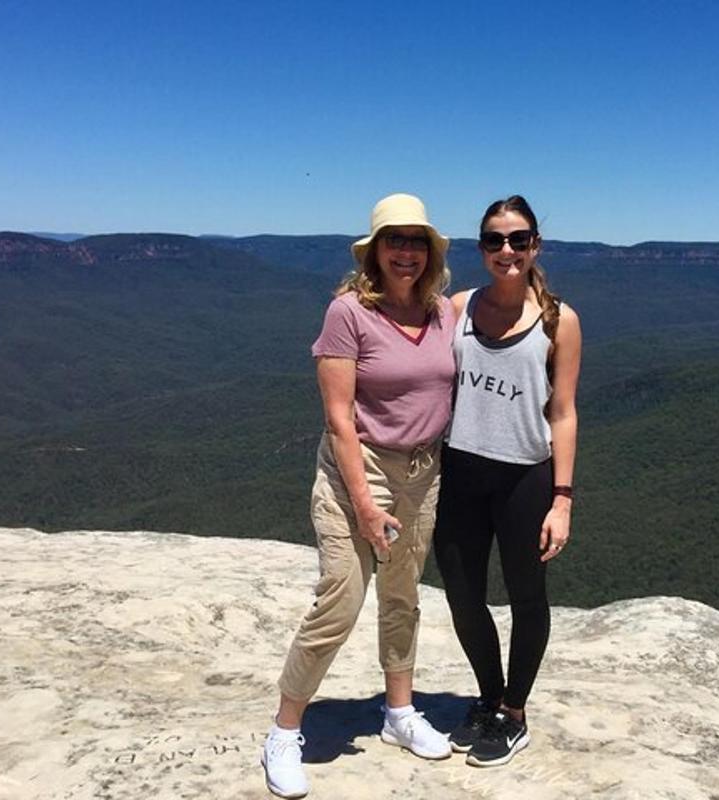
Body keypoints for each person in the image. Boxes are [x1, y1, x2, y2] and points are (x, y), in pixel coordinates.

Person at [261, 193, 457, 798]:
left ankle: (399, 713)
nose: (406, 252)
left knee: (403, 597)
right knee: (340, 602)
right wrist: (367, 506)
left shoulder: (445, 312)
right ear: (374, 251)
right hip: (360, 473)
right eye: (394, 241)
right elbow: (339, 419)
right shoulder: (347, 312)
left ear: (431, 251)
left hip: (424, 473)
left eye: (416, 240)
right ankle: (284, 730)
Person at [433, 195, 581, 767]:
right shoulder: (459, 307)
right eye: (495, 240)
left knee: (526, 597)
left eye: (518, 239)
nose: (506, 250)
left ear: (535, 245)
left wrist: (562, 499)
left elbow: (564, 411)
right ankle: (489, 697)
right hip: (462, 470)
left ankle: (514, 714)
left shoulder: (558, 320)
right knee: (464, 597)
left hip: (526, 476)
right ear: (481, 248)